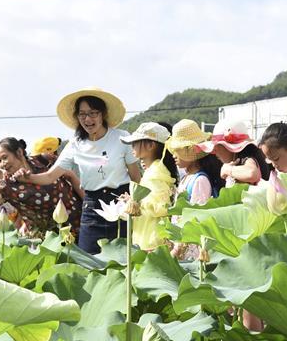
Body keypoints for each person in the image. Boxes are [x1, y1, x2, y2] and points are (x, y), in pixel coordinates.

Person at [14, 88, 141, 254]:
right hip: (92, 206)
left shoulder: (121, 137)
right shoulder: (75, 144)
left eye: (93, 113)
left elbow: (135, 176)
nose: (87, 119)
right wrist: (28, 178)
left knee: (124, 258)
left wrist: (135, 202)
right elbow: (50, 176)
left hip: (121, 202)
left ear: (103, 114)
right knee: (88, 259)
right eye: (82, 114)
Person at [0, 137, 81, 237]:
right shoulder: (7, 185)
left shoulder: (44, 160)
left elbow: (70, 175)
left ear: (19, 152)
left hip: (79, 221)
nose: (2, 164)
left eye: (5, 157)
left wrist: (87, 203)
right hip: (51, 236)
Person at [120, 122, 178, 251]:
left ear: (151, 145)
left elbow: (161, 207)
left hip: (152, 240)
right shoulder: (153, 170)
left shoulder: (155, 173)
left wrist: (135, 203)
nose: (132, 146)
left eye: (136, 142)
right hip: (148, 237)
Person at [166, 119, 223, 204]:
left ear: (191, 151)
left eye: (178, 150)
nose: (174, 155)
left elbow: (198, 210)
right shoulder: (187, 177)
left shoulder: (200, 180)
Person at [201, 120, 270, 187]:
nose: (214, 150)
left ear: (228, 147)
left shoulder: (247, 158)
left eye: (217, 146)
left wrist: (227, 169)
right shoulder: (240, 159)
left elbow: (252, 173)